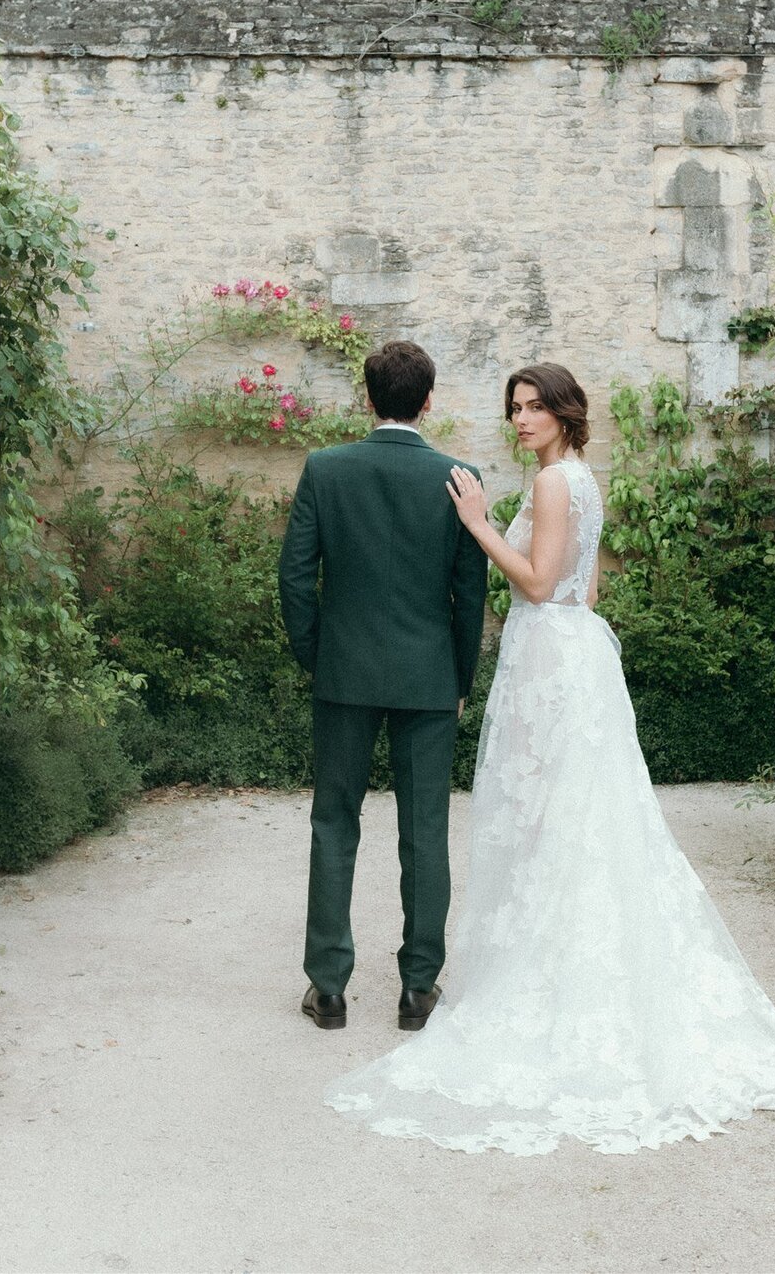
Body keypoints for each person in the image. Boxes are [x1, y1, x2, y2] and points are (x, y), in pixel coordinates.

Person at [323, 362, 775, 1155]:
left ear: (564, 410)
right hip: (573, 657)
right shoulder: (579, 477)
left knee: (551, 820)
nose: (521, 418)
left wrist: (477, 525)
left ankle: (557, 984)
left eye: (534, 406)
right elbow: (585, 590)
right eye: (515, 406)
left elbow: (541, 585)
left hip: (551, 656)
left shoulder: (551, 485)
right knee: (574, 821)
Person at [278, 339, 489, 1033]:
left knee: (334, 821)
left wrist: (318, 657)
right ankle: (418, 989)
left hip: (345, 672)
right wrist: (461, 676)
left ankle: (328, 987)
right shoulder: (459, 477)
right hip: (429, 677)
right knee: (425, 830)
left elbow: (294, 577)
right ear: (428, 399)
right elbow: (469, 589)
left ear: (368, 399)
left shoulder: (326, 469)